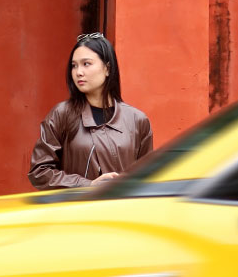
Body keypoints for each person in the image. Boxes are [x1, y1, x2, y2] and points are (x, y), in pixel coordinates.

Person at [28, 33, 153, 189]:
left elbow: (146, 178)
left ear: (107, 68)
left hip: (122, 211)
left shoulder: (137, 120)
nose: (78, 72)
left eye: (86, 64)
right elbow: (40, 172)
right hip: (79, 211)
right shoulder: (62, 114)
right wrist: (87, 185)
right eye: (74, 65)